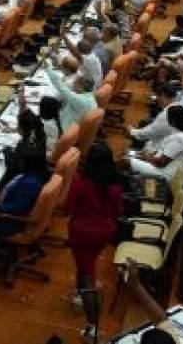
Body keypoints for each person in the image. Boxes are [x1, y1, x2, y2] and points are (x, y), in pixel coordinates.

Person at [66, 142, 124, 343]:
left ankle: (93, 328)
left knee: (88, 277)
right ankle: (80, 296)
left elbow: (68, 206)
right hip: (103, 234)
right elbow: (117, 212)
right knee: (85, 266)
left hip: (81, 233)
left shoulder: (82, 183)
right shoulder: (115, 186)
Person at [0, 146, 48, 241]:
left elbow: (18, 208)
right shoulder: (34, 176)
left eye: (20, 160)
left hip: (6, 222)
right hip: (6, 209)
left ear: (27, 163)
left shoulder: (30, 184)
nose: (18, 162)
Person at [128, 105, 183, 180]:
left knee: (126, 161)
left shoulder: (180, 139)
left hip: (163, 173)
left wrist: (146, 157)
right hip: (163, 167)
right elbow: (164, 153)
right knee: (134, 155)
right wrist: (150, 154)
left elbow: (160, 163)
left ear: (172, 121)